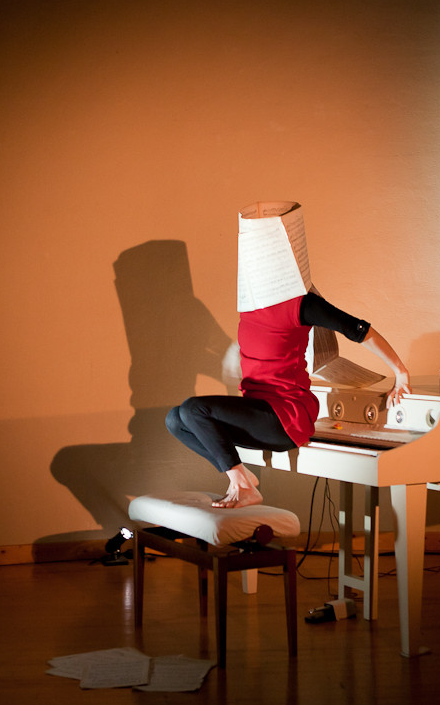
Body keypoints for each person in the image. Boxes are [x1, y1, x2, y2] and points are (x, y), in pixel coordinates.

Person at [165, 202, 411, 509]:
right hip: (257, 410)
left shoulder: (301, 304)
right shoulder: (249, 304)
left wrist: (400, 372)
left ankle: (242, 484)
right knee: (175, 419)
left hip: (285, 416)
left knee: (193, 409)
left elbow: (358, 329)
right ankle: (241, 478)